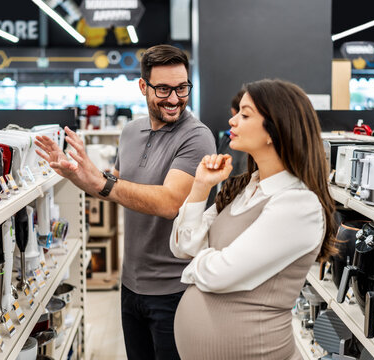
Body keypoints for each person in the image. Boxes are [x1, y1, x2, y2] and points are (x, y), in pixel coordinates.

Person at [35, 44, 216, 360]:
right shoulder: (131, 132)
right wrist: (77, 173)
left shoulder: (196, 137)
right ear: (143, 87)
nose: (175, 99)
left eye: (182, 88)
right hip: (131, 286)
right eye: (163, 89)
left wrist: (102, 181)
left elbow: (169, 202)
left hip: (175, 291)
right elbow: (116, 187)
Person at [169, 79, 337, 360]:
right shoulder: (245, 188)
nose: (232, 120)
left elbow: (221, 273)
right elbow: (183, 246)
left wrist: (197, 265)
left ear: (274, 130)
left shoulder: (298, 204)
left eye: (245, 115)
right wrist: (200, 186)